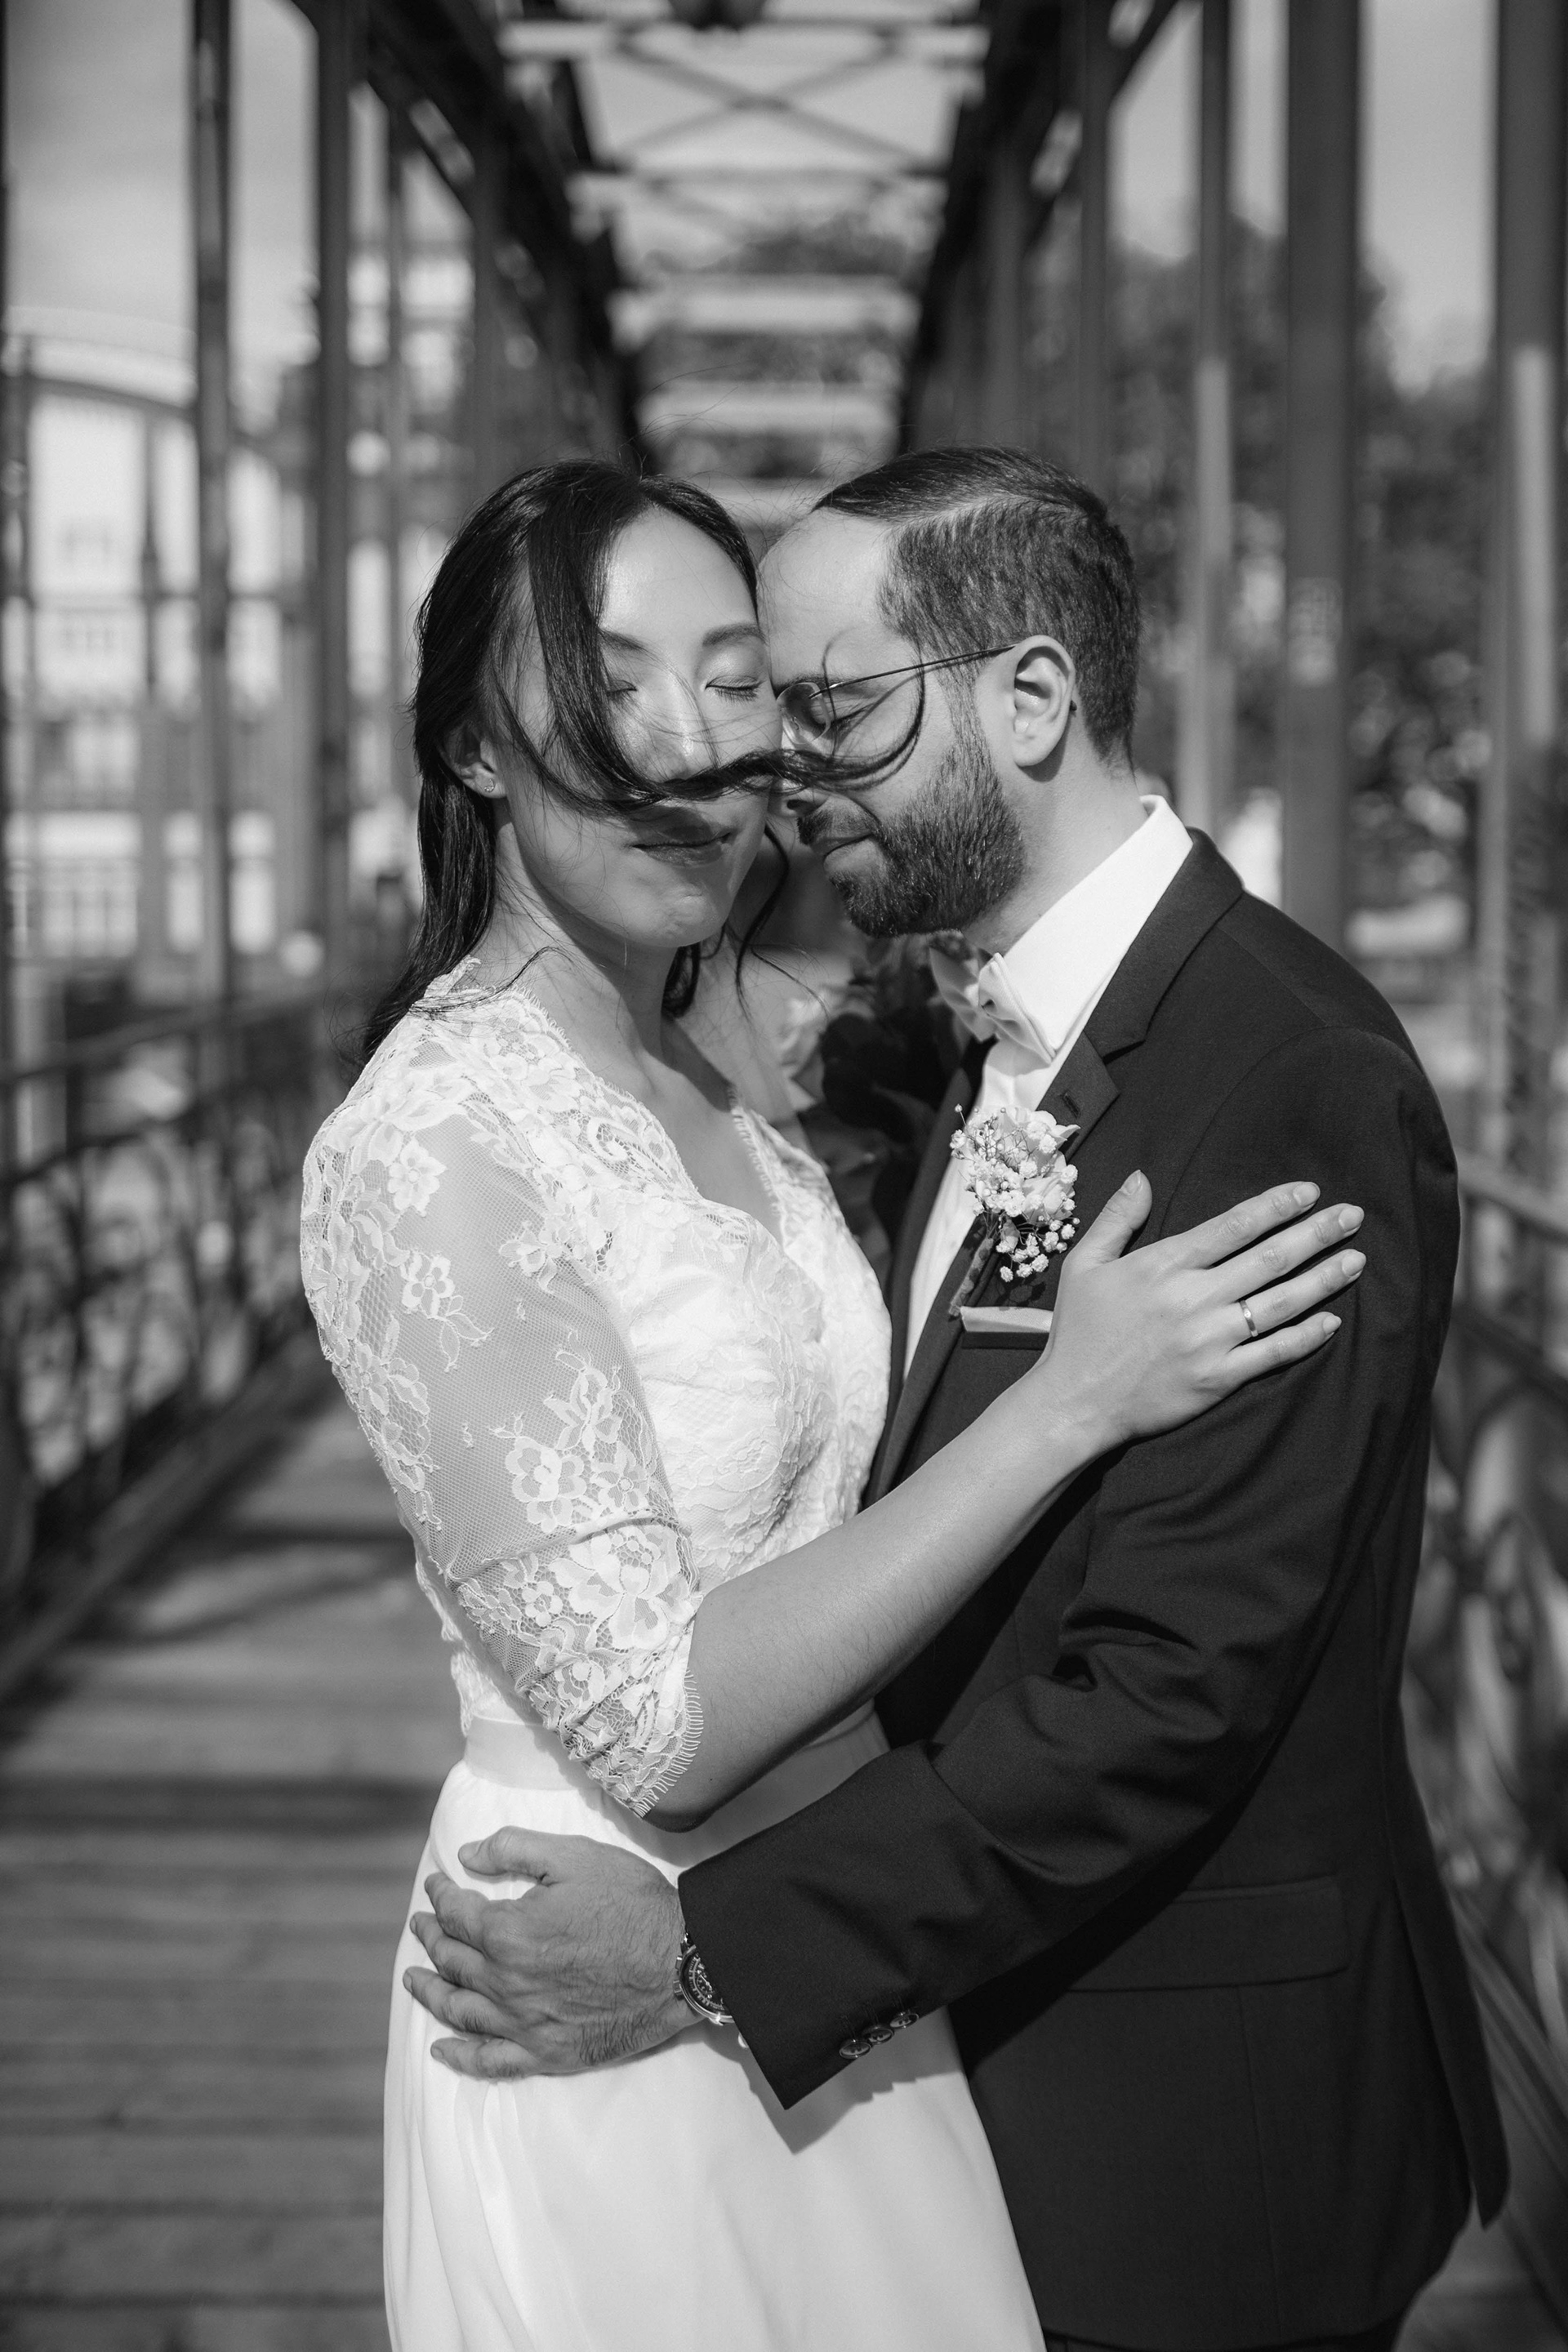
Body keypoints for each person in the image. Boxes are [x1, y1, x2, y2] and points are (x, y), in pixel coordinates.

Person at [405, 449, 1509, 2352]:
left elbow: (1166, 1696)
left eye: (834, 707)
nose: (785, 769)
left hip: (1190, 2127)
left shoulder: (1284, 1073)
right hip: (963, 2060)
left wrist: (701, 1955)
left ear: (1031, 697)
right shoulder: (964, 1027)